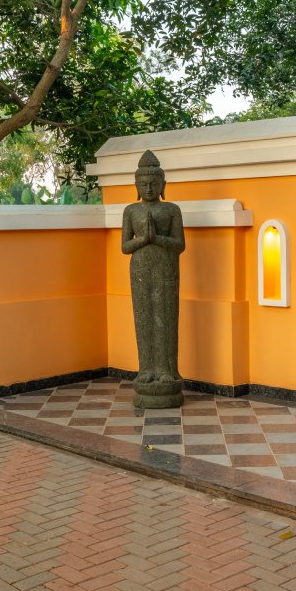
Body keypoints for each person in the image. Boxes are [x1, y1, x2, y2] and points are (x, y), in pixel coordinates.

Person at [120, 150, 185, 409]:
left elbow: (180, 244)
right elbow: (125, 247)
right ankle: (146, 369)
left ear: (163, 185)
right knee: (144, 319)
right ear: (136, 186)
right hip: (139, 271)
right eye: (143, 184)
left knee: (165, 318)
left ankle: (168, 370)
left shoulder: (171, 209)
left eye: (154, 184)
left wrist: (155, 238)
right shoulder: (131, 211)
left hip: (166, 270)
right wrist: (143, 240)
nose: (148, 188)